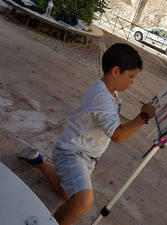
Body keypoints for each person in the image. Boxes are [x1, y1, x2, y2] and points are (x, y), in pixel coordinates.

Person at [18, 43, 155, 225]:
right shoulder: (102, 97)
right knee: (83, 201)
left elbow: (113, 124)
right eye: (131, 77)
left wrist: (136, 122)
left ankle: (39, 162)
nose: (132, 82)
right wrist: (143, 116)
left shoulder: (111, 95)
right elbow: (118, 136)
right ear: (115, 71)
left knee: (66, 192)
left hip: (87, 156)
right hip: (72, 152)